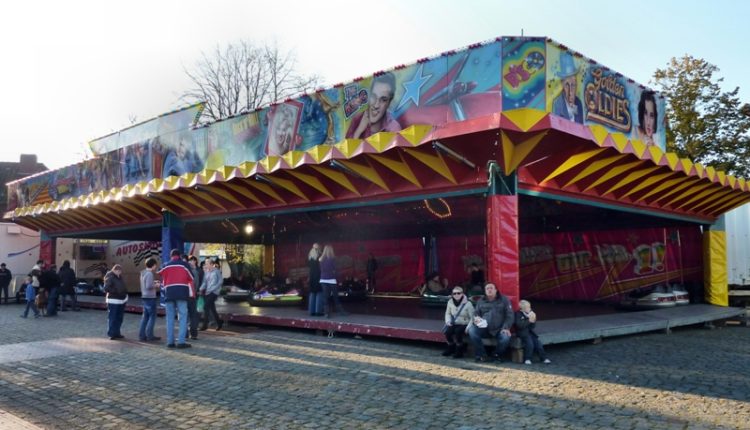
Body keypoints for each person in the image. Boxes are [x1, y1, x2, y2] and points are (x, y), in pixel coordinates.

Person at [468, 283, 514, 362]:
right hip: (484, 328)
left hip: (499, 329)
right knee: (472, 330)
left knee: (505, 337)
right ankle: (482, 355)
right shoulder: (481, 301)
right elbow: (476, 313)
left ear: (496, 290)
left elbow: (510, 315)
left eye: (491, 288)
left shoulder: (504, 300)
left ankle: (496, 355)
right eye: (487, 288)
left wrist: (506, 327)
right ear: (485, 291)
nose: (489, 290)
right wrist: (476, 319)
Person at [346, 72, 402, 139]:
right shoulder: (357, 119)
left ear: (389, 103)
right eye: (373, 96)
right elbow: (346, 144)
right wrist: (359, 130)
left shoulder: (393, 128)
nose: (376, 105)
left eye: (383, 100)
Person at [159, 249, 194, 349]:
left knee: (170, 318)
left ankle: (170, 342)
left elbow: (160, 275)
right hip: (182, 293)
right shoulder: (185, 265)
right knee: (182, 317)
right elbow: (191, 278)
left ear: (171, 256)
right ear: (179, 255)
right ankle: (181, 342)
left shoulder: (165, 265)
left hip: (169, 294)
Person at [515, 300, 551, 365]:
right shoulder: (518, 314)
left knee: (538, 344)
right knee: (530, 344)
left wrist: (533, 320)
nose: (529, 309)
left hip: (530, 332)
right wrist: (529, 321)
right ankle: (527, 358)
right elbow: (519, 325)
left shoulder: (531, 313)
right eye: (527, 307)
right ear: (522, 309)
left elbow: (532, 327)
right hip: (522, 333)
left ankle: (543, 358)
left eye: (529, 307)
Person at [551, 51, 584, 124]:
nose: (570, 92)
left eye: (573, 85)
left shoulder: (578, 103)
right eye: (567, 85)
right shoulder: (558, 104)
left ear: (576, 84)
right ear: (562, 84)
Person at [442, 286, 474, 358]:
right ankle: (451, 347)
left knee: (458, 332)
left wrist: (468, 327)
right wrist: (448, 321)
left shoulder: (468, 304)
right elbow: (448, 313)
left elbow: (473, 317)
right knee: (447, 332)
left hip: (465, 323)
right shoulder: (450, 302)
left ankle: (459, 350)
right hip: (454, 322)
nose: (456, 295)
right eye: (454, 293)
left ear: (462, 294)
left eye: (458, 293)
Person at [319, 245, 347, 318]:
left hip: (323, 279)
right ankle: (340, 311)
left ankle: (326, 313)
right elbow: (335, 269)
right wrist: (339, 277)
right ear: (331, 250)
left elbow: (322, 269)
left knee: (325, 296)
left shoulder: (321, 259)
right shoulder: (332, 259)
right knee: (335, 296)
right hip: (331, 279)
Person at [138, 258, 161, 342]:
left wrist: (153, 282)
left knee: (145, 317)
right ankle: (150, 335)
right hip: (150, 297)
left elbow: (145, 284)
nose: (156, 267)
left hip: (144, 296)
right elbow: (148, 286)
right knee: (152, 317)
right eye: (155, 265)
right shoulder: (149, 274)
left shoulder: (143, 273)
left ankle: (142, 335)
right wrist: (156, 285)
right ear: (153, 265)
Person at [103, 264, 128, 340]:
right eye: (119, 271)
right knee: (113, 317)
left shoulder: (119, 277)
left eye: (120, 271)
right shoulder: (110, 276)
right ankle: (111, 333)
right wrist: (116, 291)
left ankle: (117, 333)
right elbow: (106, 288)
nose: (120, 272)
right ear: (115, 270)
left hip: (121, 300)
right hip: (113, 300)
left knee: (119, 318)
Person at [199, 259, 224, 331]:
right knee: (212, 309)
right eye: (205, 264)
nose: (206, 265)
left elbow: (220, 281)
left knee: (206, 306)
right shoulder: (206, 272)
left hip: (214, 292)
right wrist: (200, 288)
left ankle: (205, 325)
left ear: (211, 264)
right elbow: (205, 282)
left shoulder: (216, 271)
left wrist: (214, 288)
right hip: (207, 292)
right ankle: (219, 323)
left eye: (207, 264)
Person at [186, 255, 201, 340]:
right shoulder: (194, 271)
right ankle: (194, 334)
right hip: (192, 296)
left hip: (185, 297)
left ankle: (185, 334)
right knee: (193, 315)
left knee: (185, 316)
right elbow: (196, 284)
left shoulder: (183, 271)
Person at [307, 243, 324, 316]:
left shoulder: (310, 257)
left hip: (312, 276)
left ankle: (311, 311)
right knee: (319, 293)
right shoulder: (320, 256)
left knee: (312, 293)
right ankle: (318, 311)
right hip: (318, 276)